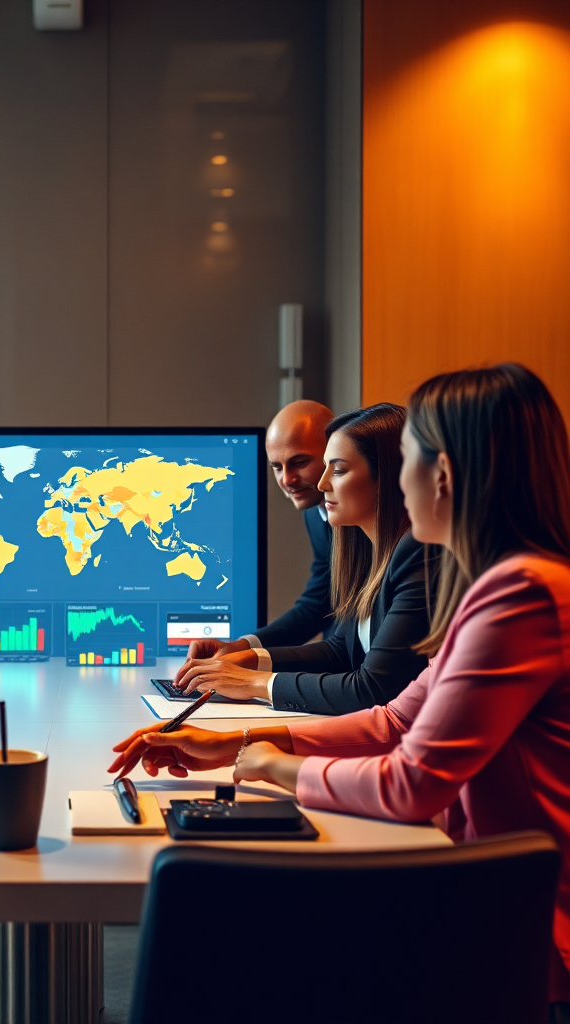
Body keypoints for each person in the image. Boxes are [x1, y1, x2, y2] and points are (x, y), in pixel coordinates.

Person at [108, 364, 570, 1010]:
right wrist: (238, 743)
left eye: (407, 457)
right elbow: (396, 720)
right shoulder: (502, 585)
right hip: (495, 909)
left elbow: (411, 783)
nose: (398, 480)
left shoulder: (521, 595)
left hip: (534, 936)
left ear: (442, 474)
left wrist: (275, 767)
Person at [172, 403, 438, 715]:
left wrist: (254, 683)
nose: (322, 484)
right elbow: (341, 649)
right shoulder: (360, 541)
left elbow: (373, 687)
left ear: (388, 476)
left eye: (337, 470)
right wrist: (247, 656)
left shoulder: (416, 551)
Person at [190, 401, 337, 666]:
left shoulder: (369, 523)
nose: (286, 480)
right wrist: (241, 647)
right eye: (277, 467)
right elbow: (319, 602)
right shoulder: (315, 513)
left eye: (300, 462)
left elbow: (346, 645)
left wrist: (254, 663)